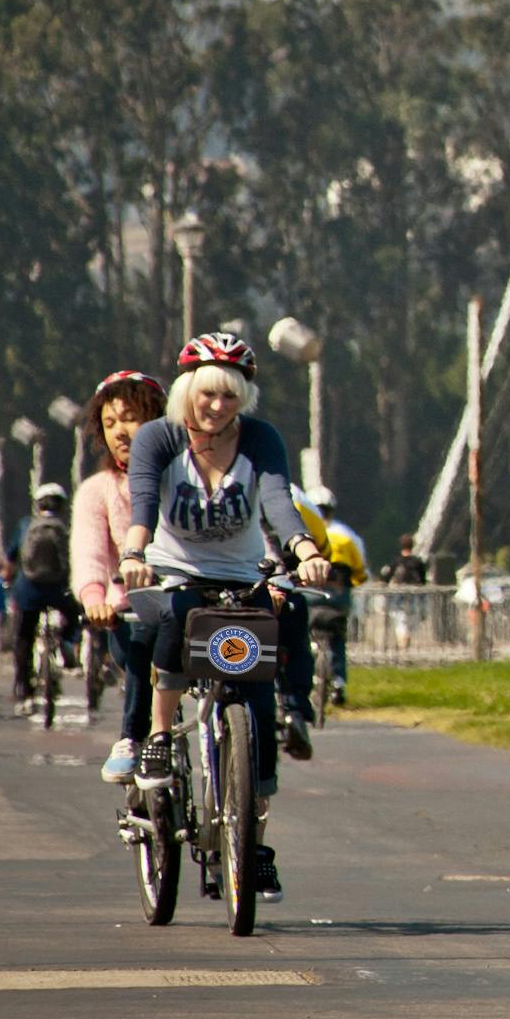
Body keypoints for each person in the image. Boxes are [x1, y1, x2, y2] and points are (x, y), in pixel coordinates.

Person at [117, 333, 333, 903]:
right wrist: (134, 555)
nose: (218, 407)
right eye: (209, 395)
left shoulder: (260, 441)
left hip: (240, 578)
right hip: (170, 572)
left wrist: (305, 552)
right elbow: (142, 504)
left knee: (255, 709)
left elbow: (279, 501)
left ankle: (253, 839)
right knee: (175, 617)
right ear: (188, 390)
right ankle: (160, 737)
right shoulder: (159, 439)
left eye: (231, 398)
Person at [74, 370, 168, 782]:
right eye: (109, 424)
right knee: (146, 635)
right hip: (131, 611)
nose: (120, 432)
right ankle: (132, 737)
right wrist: (95, 597)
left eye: (130, 418)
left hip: (193, 601)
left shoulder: (187, 476)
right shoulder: (99, 489)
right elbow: (90, 552)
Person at [9, 484, 83, 710]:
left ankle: (24, 689)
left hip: (28, 590)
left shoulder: (26, 525)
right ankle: (65, 644)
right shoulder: (66, 528)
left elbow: (12, 555)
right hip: (58, 589)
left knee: (23, 639)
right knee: (74, 615)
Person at [292, 486, 368, 705]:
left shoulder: (301, 530)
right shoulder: (347, 536)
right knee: (337, 639)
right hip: (337, 595)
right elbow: (360, 571)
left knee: (300, 634)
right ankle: (338, 682)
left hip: (308, 592)